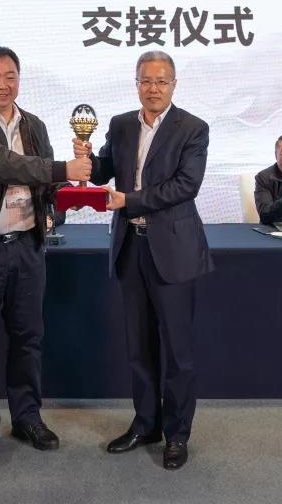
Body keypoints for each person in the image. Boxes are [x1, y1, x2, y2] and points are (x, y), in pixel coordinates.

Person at [0, 46, 92, 469]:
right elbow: (3, 164)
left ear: (19, 79)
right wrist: (63, 169)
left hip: (27, 248)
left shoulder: (35, 125)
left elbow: (45, 186)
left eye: (10, 76)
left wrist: (74, 189)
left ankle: (27, 417)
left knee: (28, 339)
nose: (2, 85)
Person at [73, 50, 212, 470]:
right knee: (139, 347)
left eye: (161, 81)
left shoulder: (193, 128)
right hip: (131, 247)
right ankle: (145, 424)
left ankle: (177, 434)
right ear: (136, 84)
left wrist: (128, 201)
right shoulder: (120, 124)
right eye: (146, 81)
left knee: (178, 351)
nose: (154, 89)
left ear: (174, 84)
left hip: (173, 250)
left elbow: (185, 186)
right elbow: (103, 171)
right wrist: (85, 158)